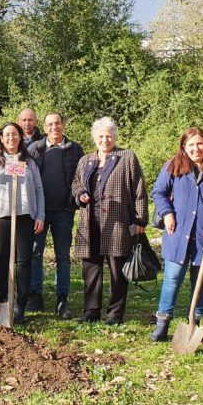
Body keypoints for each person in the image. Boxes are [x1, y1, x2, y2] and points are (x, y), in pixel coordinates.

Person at [149, 127, 203, 341]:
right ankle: (162, 324)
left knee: (199, 282)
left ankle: (194, 323)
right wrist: (167, 214)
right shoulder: (173, 166)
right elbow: (159, 191)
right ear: (184, 147)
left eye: (200, 144)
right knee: (172, 279)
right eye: (191, 145)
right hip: (178, 231)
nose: (196, 148)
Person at [70, 117, 147, 325]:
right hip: (90, 222)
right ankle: (91, 310)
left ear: (115, 136)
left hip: (117, 221)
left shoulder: (127, 157)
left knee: (117, 269)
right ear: (95, 138)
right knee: (91, 268)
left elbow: (139, 189)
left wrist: (140, 220)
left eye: (109, 135)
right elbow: (76, 184)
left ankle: (115, 313)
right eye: (101, 136)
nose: (105, 140)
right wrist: (81, 194)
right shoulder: (86, 160)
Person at [0, 122, 45, 324]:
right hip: (0, 215)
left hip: (24, 216)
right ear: (0, 138)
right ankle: (0, 299)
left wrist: (40, 215)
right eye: (7, 135)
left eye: (14, 134)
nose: (11, 138)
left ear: (20, 137)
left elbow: (38, 190)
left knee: (23, 261)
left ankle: (19, 305)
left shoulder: (29, 162)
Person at [26, 112, 84, 318]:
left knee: (63, 257)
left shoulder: (75, 149)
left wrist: (74, 202)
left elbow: (80, 178)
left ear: (64, 126)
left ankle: (62, 298)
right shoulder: (34, 149)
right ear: (44, 127)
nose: (54, 127)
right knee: (35, 254)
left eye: (57, 123)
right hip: (39, 213)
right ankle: (35, 295)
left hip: (63, 212)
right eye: (50, 124)